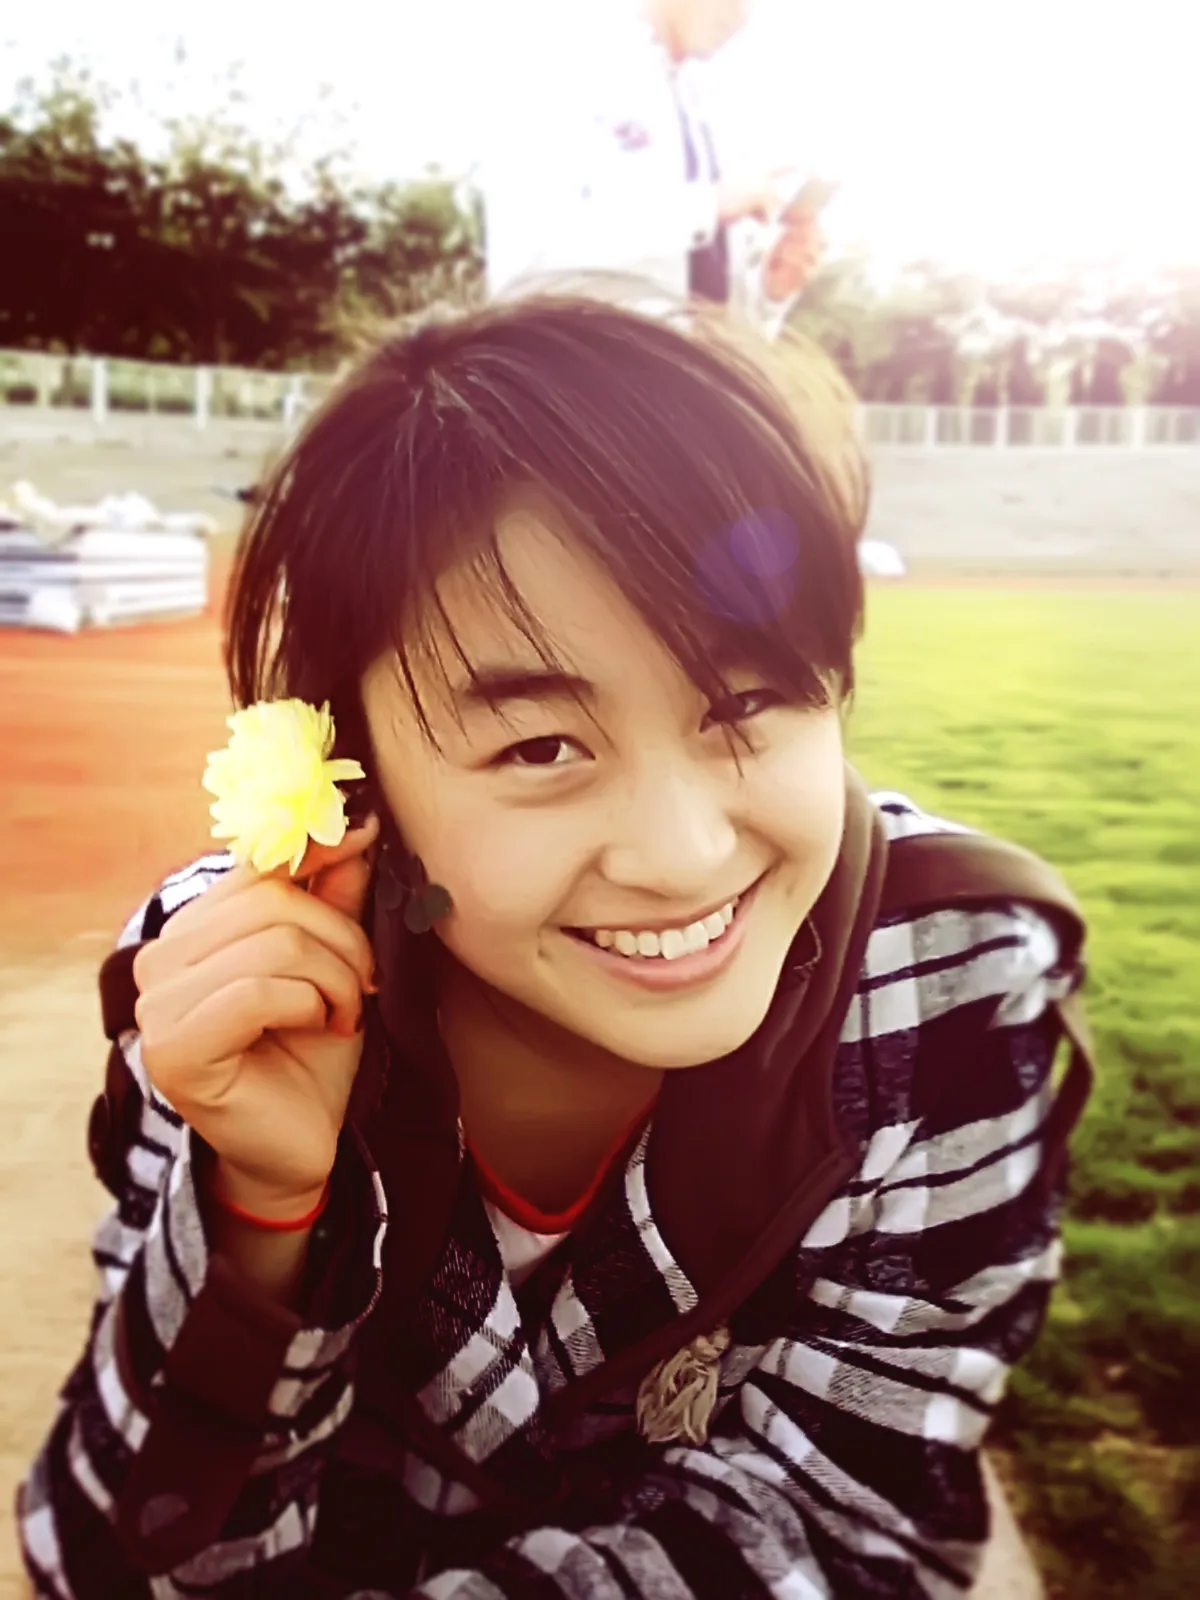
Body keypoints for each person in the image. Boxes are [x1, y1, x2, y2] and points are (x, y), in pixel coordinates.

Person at [19, 296, 1091, 1599]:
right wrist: (260, 1217)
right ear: (359, 776)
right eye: (540, 746)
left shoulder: (948, 986)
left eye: (748, 700)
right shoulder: (233, 989)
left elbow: (842, 1535)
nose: (683, 853)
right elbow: (119, 1558)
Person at [482, 0, 797, 312]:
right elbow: (527, 275)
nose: (741, 15)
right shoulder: (562, 63)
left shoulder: (701, 107)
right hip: (587, 346)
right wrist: (710, 207)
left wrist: (769, 294)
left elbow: (701, 300)